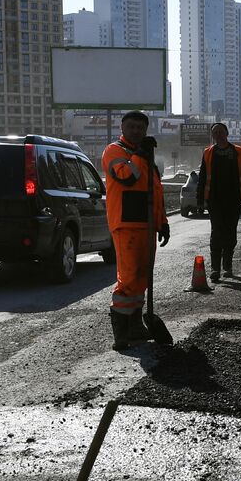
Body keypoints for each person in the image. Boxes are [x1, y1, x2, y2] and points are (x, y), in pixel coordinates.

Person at [101, 111, 170, 351]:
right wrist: (141, 155)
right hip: (126, 222)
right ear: (123, 128)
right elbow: (127, 177)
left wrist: (162, 222)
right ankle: (121, 331)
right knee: (129, 277)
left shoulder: (145, 157)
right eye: (131, 127)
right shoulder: (114, 151)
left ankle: (135, 326)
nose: (136, 132)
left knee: (142, 276)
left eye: (140, 128)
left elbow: (155, 192)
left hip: (146, 224)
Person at [195, 122, 241, 281]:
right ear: (212, 135)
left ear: (227, 133)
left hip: (234, 200)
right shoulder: (208, 153)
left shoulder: (239, 152)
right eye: (215, 132)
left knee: (230, 233)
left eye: (221, 131)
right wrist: (200, 201)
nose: (218, 134)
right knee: (217, 233)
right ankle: (215, 269)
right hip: (214, 201)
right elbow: (202, 178)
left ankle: (227, 266)